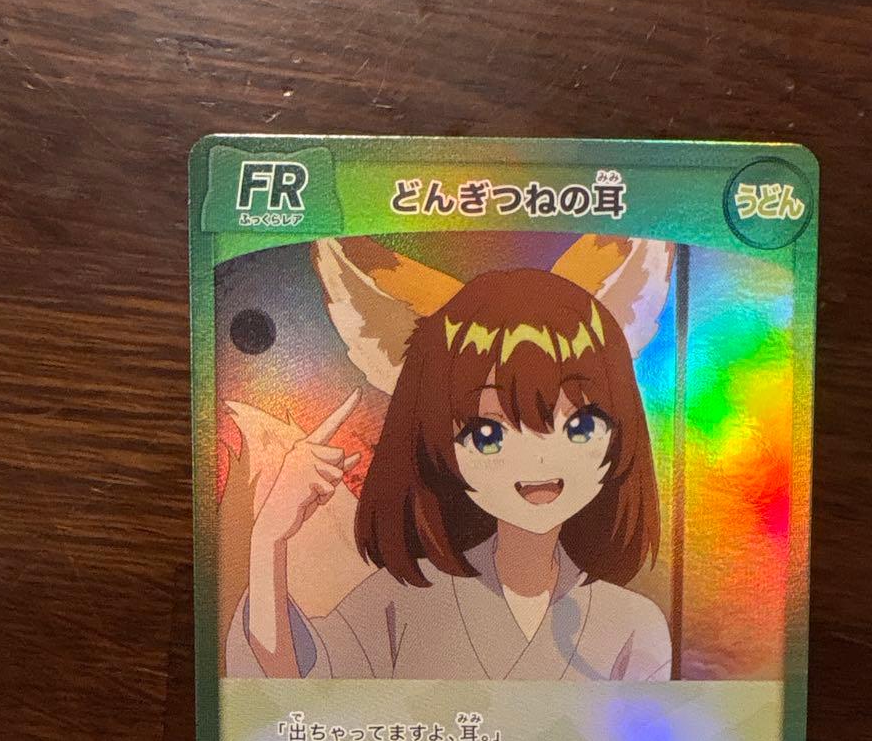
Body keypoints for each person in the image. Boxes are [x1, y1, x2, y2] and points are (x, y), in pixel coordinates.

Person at [226, 267, 671, 681]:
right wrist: (268, 540)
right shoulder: (405, 599)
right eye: (489, 434)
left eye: (580, 427)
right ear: (439, 444)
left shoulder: (633, 627)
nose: (539, 459)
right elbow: (291, 688)